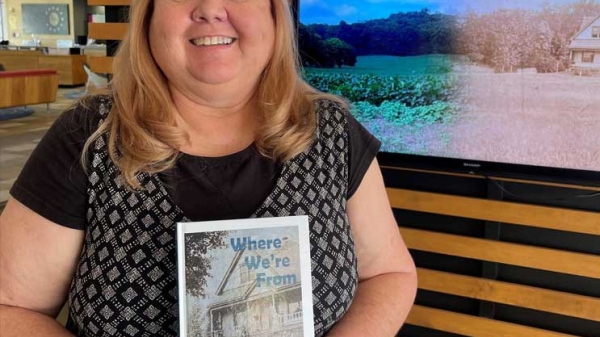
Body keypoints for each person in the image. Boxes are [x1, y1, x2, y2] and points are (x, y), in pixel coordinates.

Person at [0, 0, 417, 335]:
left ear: (275, 16)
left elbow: (389, 274)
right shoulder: (91, 134)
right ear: (149, 17)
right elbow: (9, 309)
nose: (210, 8)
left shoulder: (332, 133)